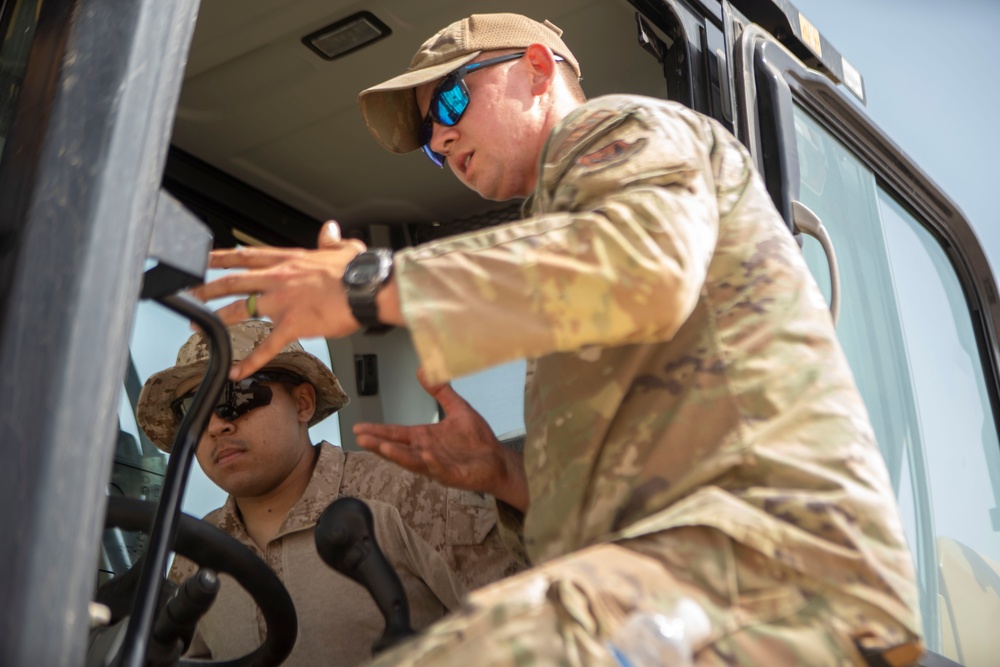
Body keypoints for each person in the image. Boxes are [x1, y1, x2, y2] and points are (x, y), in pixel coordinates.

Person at [190, 12, 924, 666]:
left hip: (765, 572)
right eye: (429, 146)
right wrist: (502, 475)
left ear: (538, 68)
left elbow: (643, 269)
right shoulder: (567, 252)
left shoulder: (621, 131)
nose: (442, 137)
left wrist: (367, 286)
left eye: (450, 100)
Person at [133, 320, 523, 666]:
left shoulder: (403, 495)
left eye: (235, 397)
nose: (216, 426)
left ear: (302, 403)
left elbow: (525, 626)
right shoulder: (196, 551)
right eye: (194, 411)